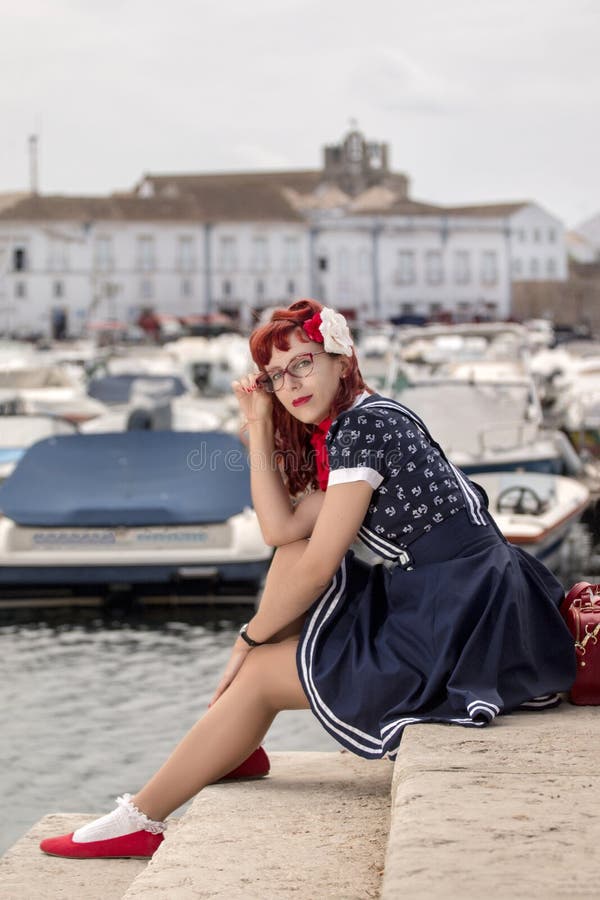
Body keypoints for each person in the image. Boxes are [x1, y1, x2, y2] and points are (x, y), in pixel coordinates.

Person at [40, 299, 576, 860]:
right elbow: (281, 528)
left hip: (462, 613)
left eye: (303, 363)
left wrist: (245, 640)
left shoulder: (363, 428)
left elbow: (320, 568)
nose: (290, 383)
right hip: (470, 597)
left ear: (341, 360)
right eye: (275, 375)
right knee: (291, 557)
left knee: (263, 670)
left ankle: (142, 819)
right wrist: (257, 423)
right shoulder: (367, 420)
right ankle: (232, 737)